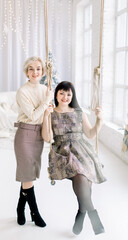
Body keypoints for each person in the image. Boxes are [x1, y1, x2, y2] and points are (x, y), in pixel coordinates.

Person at [42, 81, 106, 235]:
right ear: (56, 94)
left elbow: (90, 134)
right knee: (79, 174)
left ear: (72, 96)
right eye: (62, 93)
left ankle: (81, 212)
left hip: (83, 150)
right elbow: (47, 137)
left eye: (68, 94)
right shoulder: (51, 113)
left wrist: (99, 120)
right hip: (64, 152)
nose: (65, 97)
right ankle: (93, 215)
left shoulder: (78, 112)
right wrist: (45, 116)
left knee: (85, 180)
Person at [14, 56, 53, 227]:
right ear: (26, 72)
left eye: (38, 68)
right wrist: (46, 102)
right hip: (25, 135)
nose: (35, 72)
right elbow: (33, 115)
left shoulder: (46, 89)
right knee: (27, 174)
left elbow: (44, 115)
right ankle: (35, 213)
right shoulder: (22, 91)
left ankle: (19, 208)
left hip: (39, 136)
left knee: (28, 175)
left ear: (43, 72)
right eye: (31, 68)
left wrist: (49, 107)